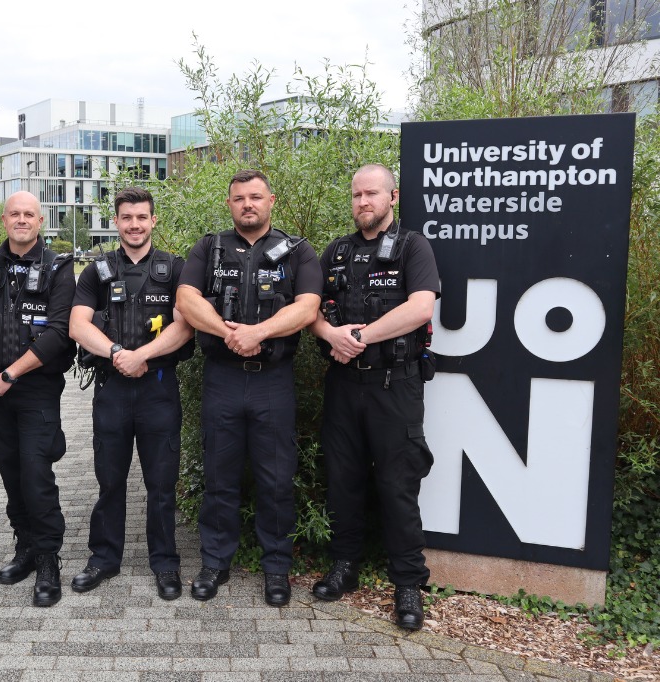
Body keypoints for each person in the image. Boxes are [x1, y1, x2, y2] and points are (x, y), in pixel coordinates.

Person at [176, 169, 322, 607]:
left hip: (273, 382)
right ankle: (214, 563)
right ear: (229, 204)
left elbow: (308, 307)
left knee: (276, 479)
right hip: (222, 379)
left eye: (255, 197)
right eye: (239, 198)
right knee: (219, 477)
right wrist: (228, 332)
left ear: (271, 200)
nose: (247, 204)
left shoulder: (298, 251)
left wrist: (258, 333)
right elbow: (186, 299)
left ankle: (276, 568)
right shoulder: (209, 247)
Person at [308, 163, 439, 631]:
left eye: (372, 194)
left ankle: (407, 583)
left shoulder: (413, 246)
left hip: (394, 386)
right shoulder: (336, 252)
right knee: (343, 481)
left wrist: (358, 335)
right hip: (344, 386)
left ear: (392, 196)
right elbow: (310, 311)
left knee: (397, 486)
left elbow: (420, 307)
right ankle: (344, 567)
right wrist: (330, 332)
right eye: (357, 195)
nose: (363, 202)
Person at [69, 187, 194, 600]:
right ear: (116, 221)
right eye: (127, 218)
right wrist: (118, 353)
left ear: (153, 220)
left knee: (162, 482)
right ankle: (104, 558)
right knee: (110, 480)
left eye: (142, 217)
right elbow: (78, 325)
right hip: (112, 389)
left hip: (158, 389)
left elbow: (185, 325)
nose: (135, 225)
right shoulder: (96, 270)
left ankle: (165, 562)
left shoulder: (175, 269)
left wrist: (143, 354)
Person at [0, 191, 76, 607]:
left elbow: (59, 331)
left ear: (40, 221)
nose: (22, 220)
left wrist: (10, 374)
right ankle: (24, 548)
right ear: (4, 220)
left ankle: (48, 559)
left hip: (36, 390)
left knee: (36, 476)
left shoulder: (59, 267)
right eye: (15, 214)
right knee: (10, 472)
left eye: (29, 214)